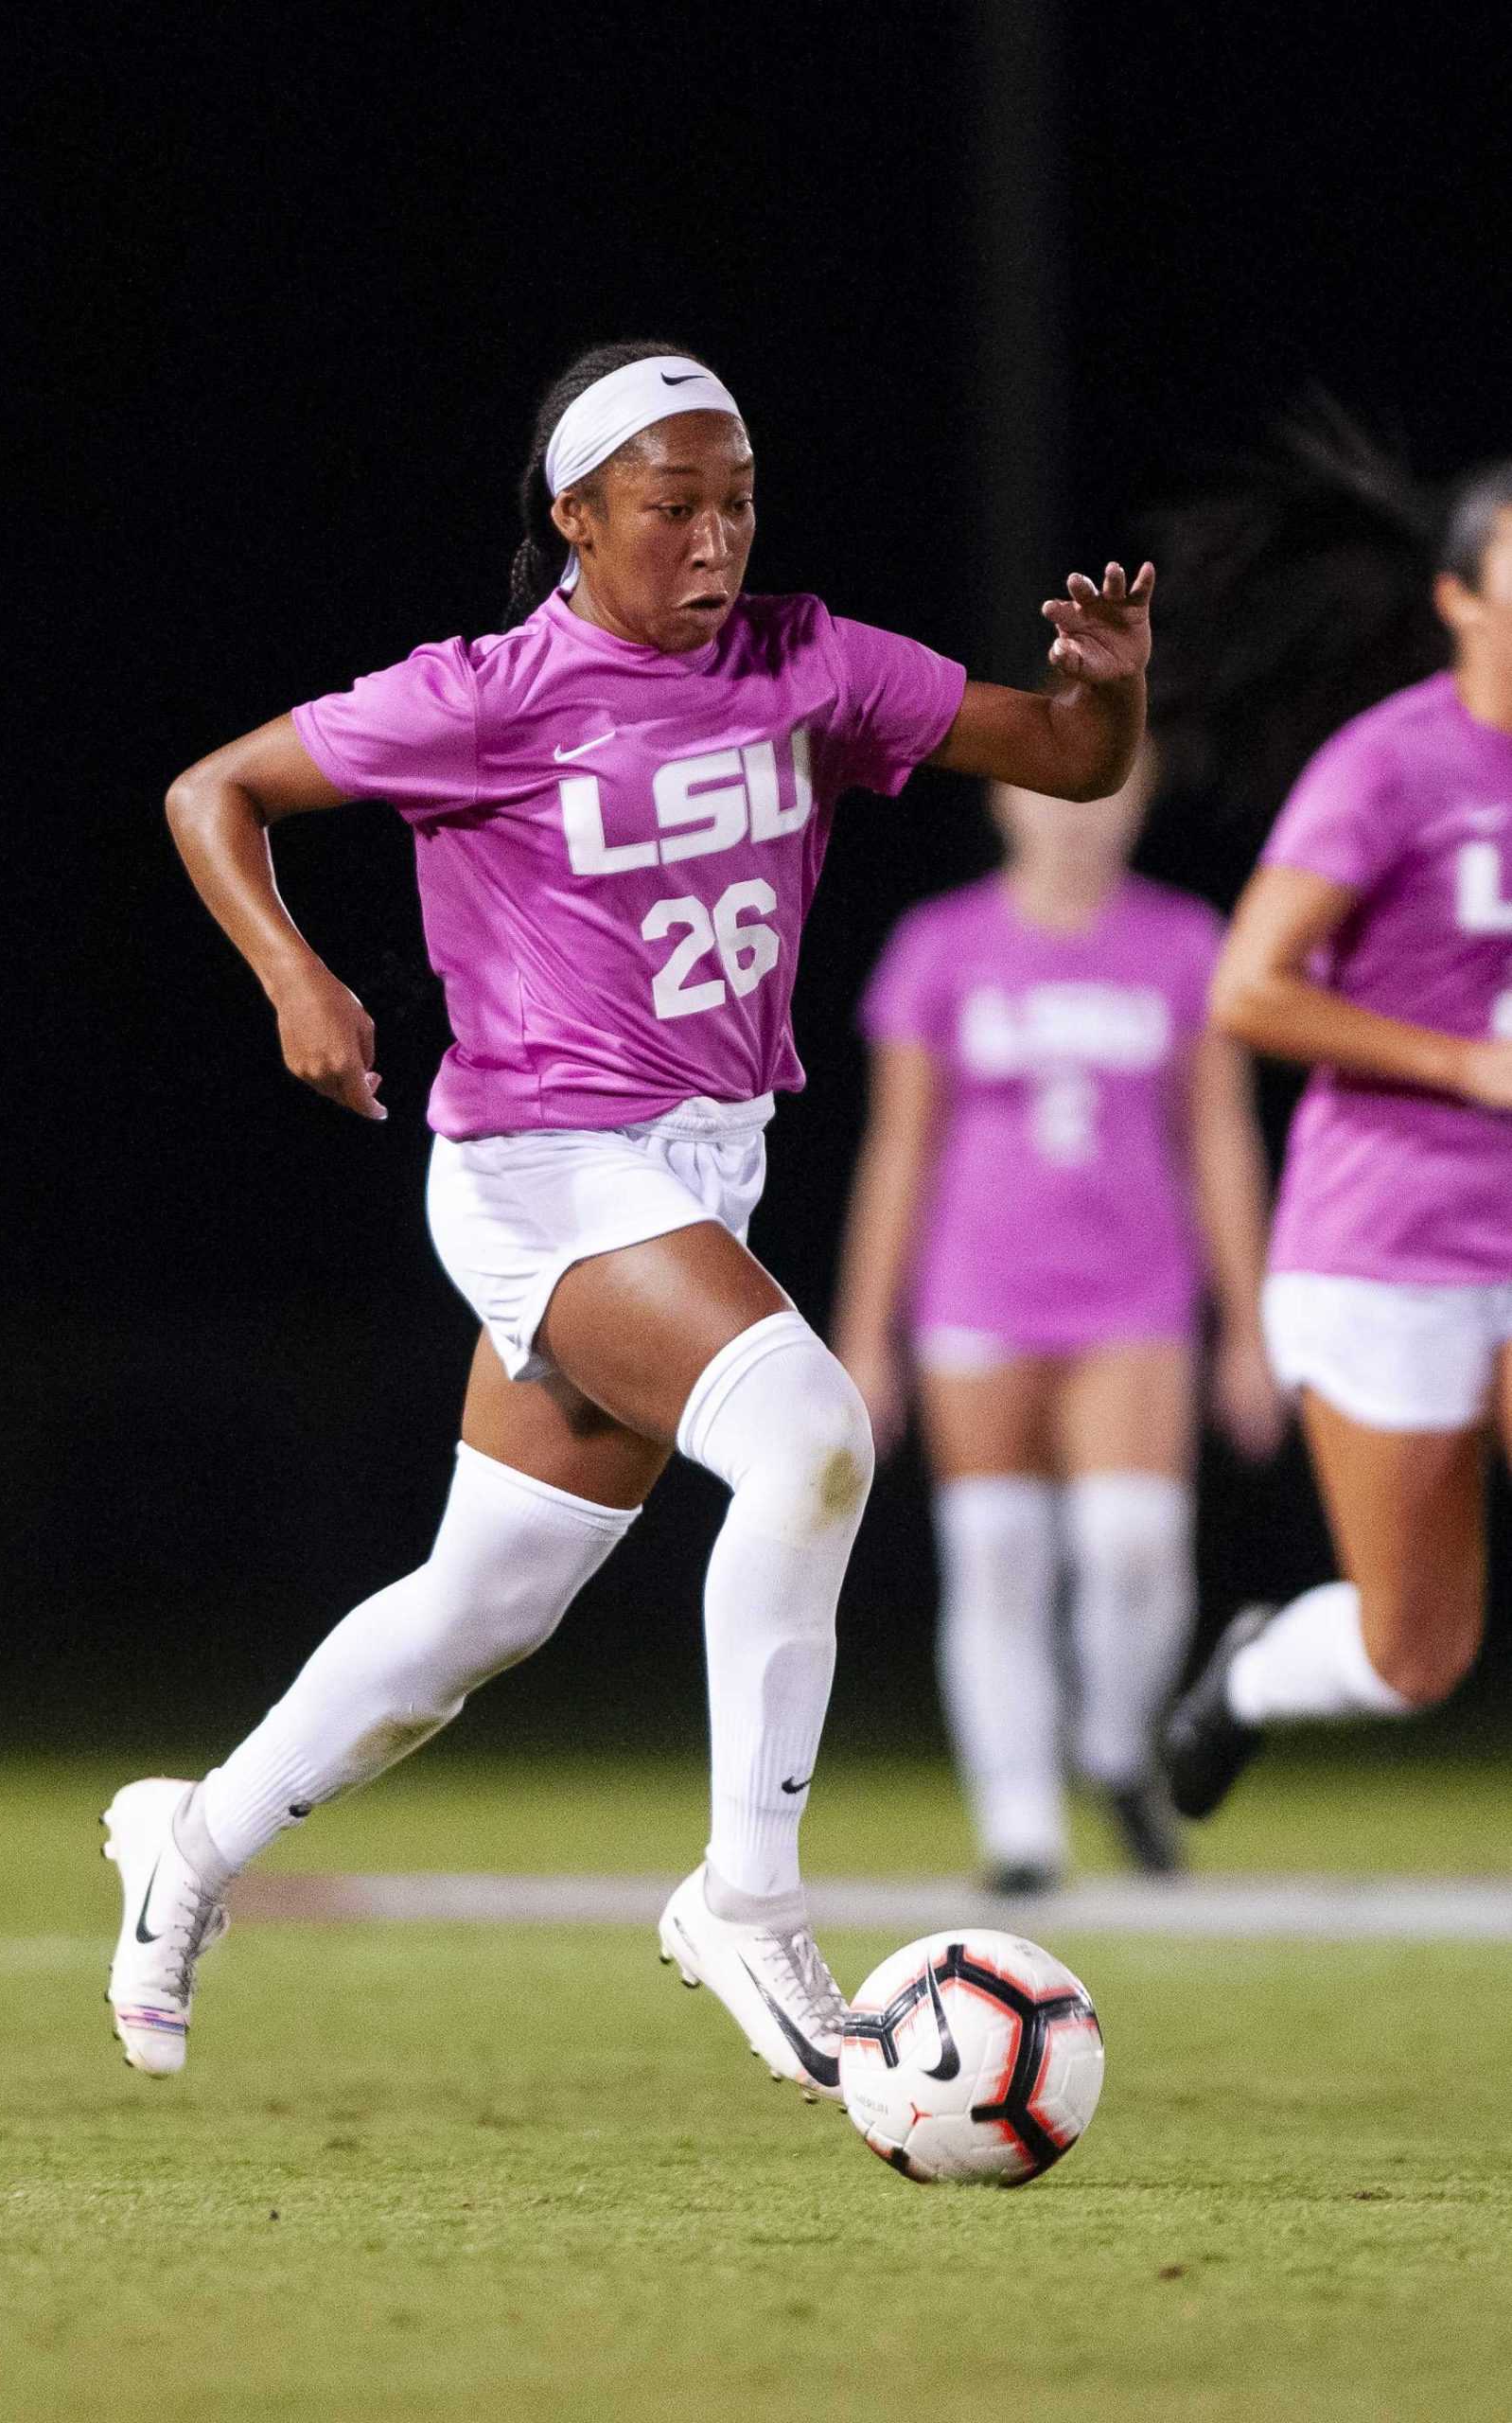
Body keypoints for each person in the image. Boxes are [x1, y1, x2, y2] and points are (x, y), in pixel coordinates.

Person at [104, 340, 1153, 2095]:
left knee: (481, 1607)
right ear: (576, 516)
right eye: (673, 508)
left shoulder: (808, 659)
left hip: (701, 1163)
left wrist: (1111, 684)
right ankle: (746, 1900)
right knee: (814, 1435)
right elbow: (211, 791)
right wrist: (295, 976)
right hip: (542, 1163)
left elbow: (1060, 757)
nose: (716, 540)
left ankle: (189, 1847)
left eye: (736, 502)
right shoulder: (490, 689)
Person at [835, 747, 1281, 1893]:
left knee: (1133, 1545)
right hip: (977, 1291)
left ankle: (1117, 1743)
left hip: (1135, 1294)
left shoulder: (1184, 942)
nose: (1076, 814)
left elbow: (1221, 1136)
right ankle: (1020, 1825)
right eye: (1051, 785)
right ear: (1003, 794)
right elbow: (900, 1146)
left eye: (1105, 788)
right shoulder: (942, 945)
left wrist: (1250, 1321)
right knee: (996, 1559)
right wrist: (865, 1331)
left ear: (1140, 799)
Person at [1162, 446, 1512, 1814]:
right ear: (1459, 599)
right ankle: (1251, 1672)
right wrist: (1466, 1068)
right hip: (1393, 1235)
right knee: (1414, 1650)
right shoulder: (1393, 766)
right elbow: (1246, 988)